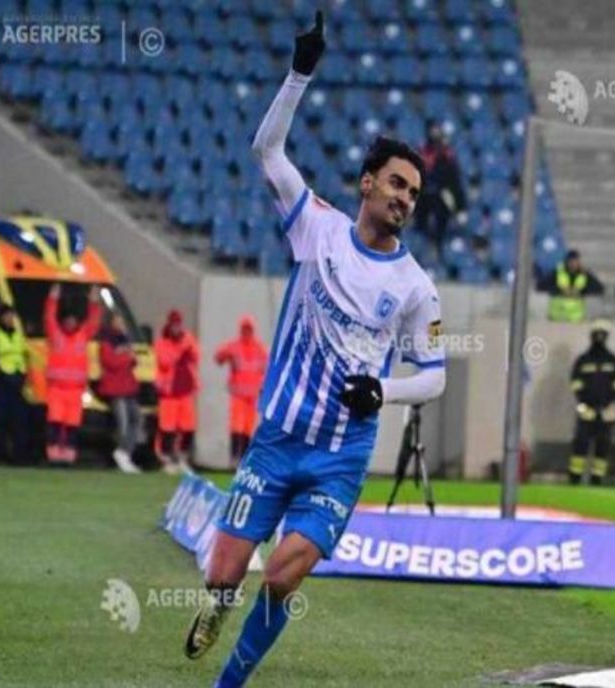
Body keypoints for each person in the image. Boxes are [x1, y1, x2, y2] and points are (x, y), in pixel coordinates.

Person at [183, 14, 446, 686]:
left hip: (339, 457)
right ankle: (216, 605)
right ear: (367, 183)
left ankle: (228, 682)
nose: (404, 199)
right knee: (225, 572)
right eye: (395, 184)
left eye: (413, 192)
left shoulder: (416, 288)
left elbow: (435, 377)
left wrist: (382, 391)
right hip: (276, 439)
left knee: (280, 575)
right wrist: (299, 75)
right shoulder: (317, 229)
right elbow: (268, 153)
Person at [44, 283, 101, 463]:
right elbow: (49, 318)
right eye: (67, 320)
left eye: (73, 320)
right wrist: (53, 298)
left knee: (72, 424)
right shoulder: (56, 335)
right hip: (57, 390)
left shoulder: (82, 335)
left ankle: (68, 453)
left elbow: (93, 321)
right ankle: (53, 452)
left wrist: (93, 301)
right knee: (55, 422)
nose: (70, 323)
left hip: (75, 391)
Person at [568, 319, 615, 485]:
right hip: (586, 408)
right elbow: (576, 384)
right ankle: (575, 477)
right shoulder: (583, 360)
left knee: (603, 446)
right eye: (597, 334)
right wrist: (586, 401)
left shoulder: (612, 361)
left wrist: (608, 402)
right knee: (581, 444)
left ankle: (597, 478)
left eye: (603, 334)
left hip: (606, 410)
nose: (599, 338)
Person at [214, 315, 268, 467]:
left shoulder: (259, 349)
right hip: (238, 394)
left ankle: (243, 460)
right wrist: (225, 356)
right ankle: (234, 458)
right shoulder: (234, 346)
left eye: (248, 329)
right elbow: (218, 358)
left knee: (247, 429)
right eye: (244, 329)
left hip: (252, 396)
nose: (246, 332)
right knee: (236, 427)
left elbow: (268, 369)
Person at [0, 303, 30, 464]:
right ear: (1, 317)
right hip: (0, 383)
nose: (10, 319)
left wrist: (22, 375)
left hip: (16, 383)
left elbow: (22, 356)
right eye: (7, 316)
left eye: (12, 316)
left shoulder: (17, 335)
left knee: (18, 422)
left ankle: (17, 456)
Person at [154, 309, 199, 475]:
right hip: (169, 392)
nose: (176, 328)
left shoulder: (188, 338)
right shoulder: (162, 342)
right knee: (167, 429)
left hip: (185, 390)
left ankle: (181, 458)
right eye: (174, 325)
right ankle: (167, 460)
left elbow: (196, 355)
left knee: (188, 428)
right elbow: (165, 361)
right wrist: (181, 350)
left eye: (178, 324)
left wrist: (186, 349)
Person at [98, 312, 142, 474]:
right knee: (122, 424)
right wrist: (126, 356)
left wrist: (128, 356)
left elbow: (134, 360)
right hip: (115, 389)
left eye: (122, 321)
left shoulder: (125, 340)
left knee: (136, 419)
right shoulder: (106, 342)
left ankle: (125, 452)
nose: (121, 324)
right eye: (118, 321)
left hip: (129, 387)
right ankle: (121, 453)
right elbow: (111, 362)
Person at [416, 120, 466, 258]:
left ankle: (438, 246)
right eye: (433, 130)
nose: (435, 133)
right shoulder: (421, 151)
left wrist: (461, 207)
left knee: (442, 215)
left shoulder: (447, 154)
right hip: (423, 195)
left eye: (438, 130)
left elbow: (454, 181)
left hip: (442, 192)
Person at [539, 249, 605, 323]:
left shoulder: (585, 274)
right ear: (566, 261)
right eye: (571, 261)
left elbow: (599, 288)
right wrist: (560, 290)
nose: (573, 264)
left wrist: (581, 292)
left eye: (575, 261)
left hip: (576, 319)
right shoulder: (557, 272)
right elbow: (541, 286)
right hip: (557, 318)